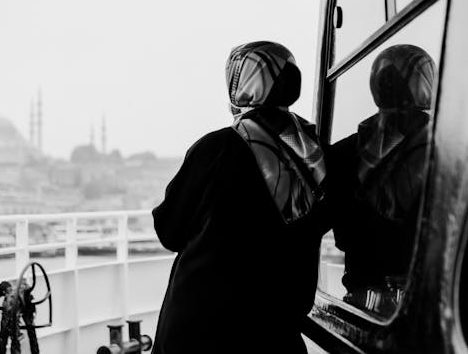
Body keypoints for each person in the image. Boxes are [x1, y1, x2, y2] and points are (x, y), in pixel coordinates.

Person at [152, 41, 328, 353]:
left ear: (242, 84)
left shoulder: (217, 148)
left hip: (202, 335)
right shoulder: (316, 156)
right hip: (276, 335)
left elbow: (170, 230)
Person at [329, 44, 435, 317]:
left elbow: (339, 231)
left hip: (365, 304)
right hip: (437, 303)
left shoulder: (343, 153)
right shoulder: (452, 149)